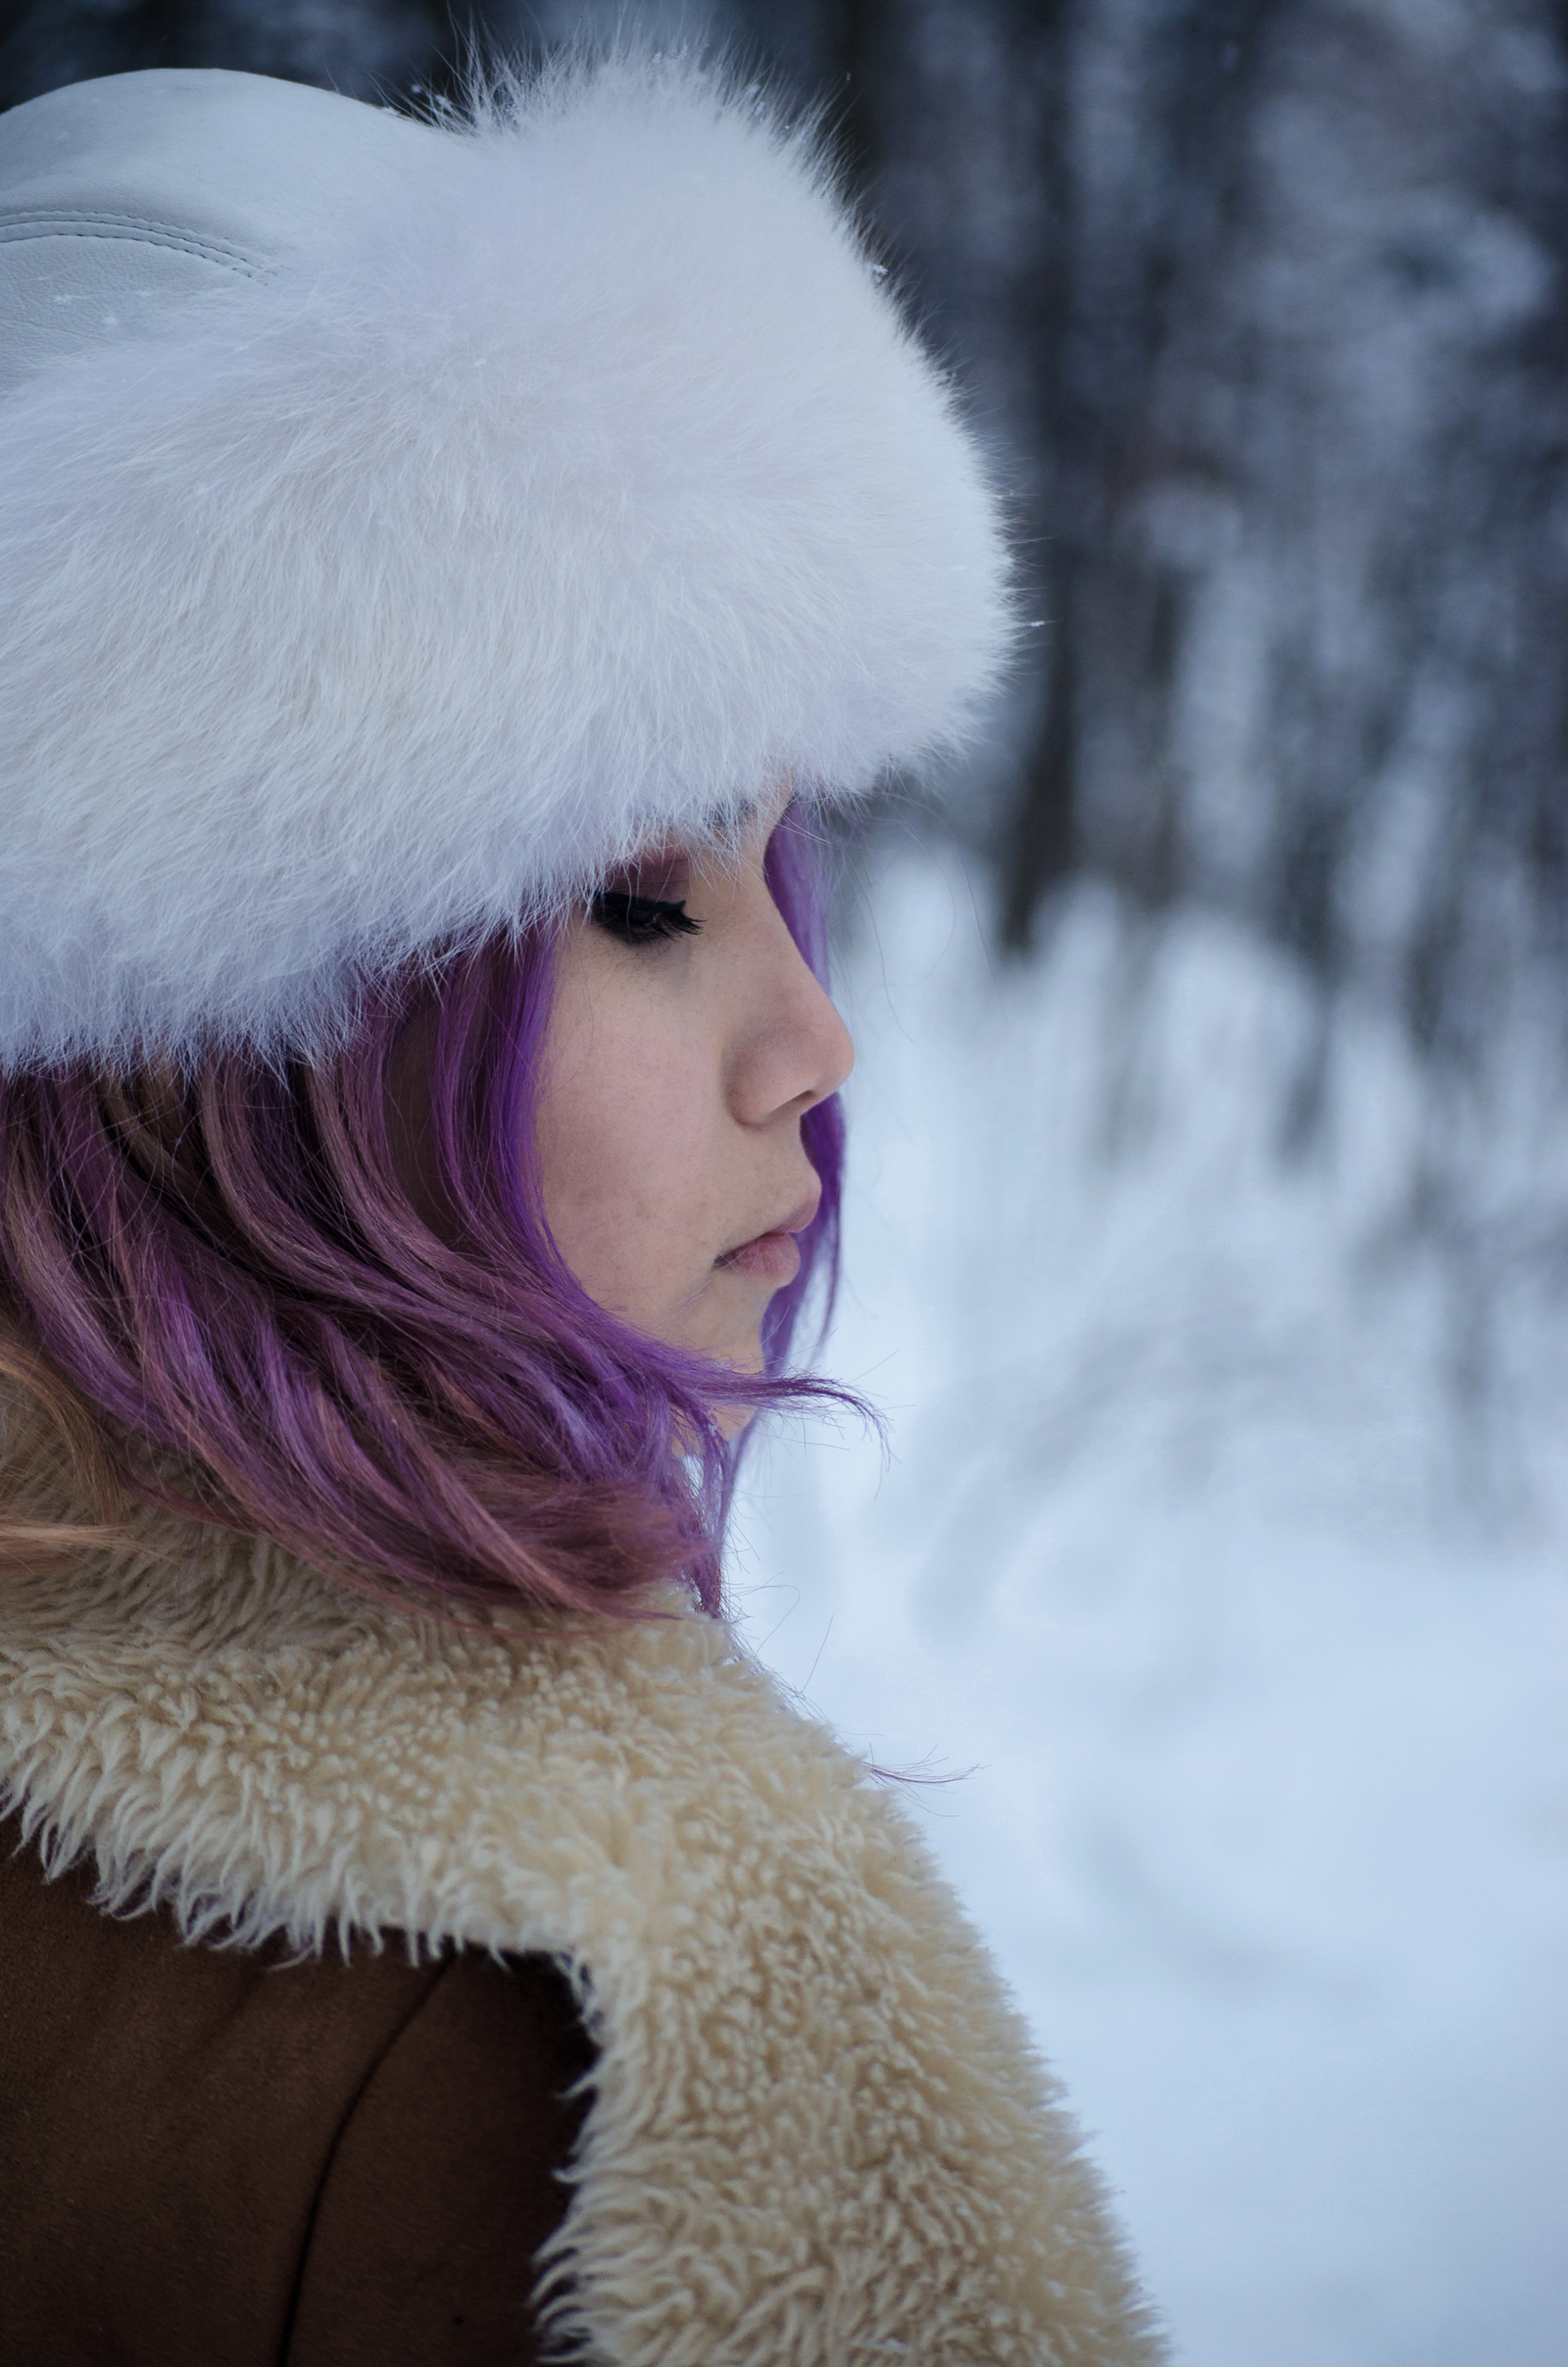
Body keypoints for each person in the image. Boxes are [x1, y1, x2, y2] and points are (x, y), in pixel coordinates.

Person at [0, 51, 1165, 2366]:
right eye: (643, 904)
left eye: (777, 868)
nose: (814, 1040)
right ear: (200, 1047)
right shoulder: (639, 1967)